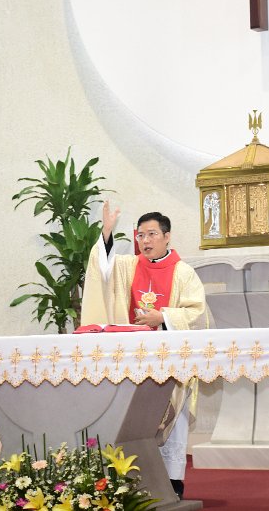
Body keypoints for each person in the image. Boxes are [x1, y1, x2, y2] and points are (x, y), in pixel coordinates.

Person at [81, 200, 209, 500]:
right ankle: (135, 478)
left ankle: (174, 480)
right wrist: (107, 232)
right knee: (134, 419)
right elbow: (103, 269)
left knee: (174, 417)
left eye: (152, 234)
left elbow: (197, 313)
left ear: (167, 236)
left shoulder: (183, 272)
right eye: (140, 235)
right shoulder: (128, 266)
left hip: (170, 357)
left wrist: (162, 317)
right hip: (134, 358)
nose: (145, 240)